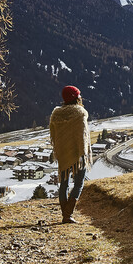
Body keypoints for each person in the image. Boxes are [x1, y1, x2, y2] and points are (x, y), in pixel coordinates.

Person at [49, 85, 91, 224]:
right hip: (78, 154)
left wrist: (60, 150)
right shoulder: (80, 113)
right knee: (79, 183)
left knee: (64, 184)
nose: (80, 97)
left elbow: (55, 137)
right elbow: (82, 137)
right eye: (79, 95)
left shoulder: (56, 115)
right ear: (76, 98)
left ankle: (65, 214)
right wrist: (83, 154)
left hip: (63, 154)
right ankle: (68, 214)